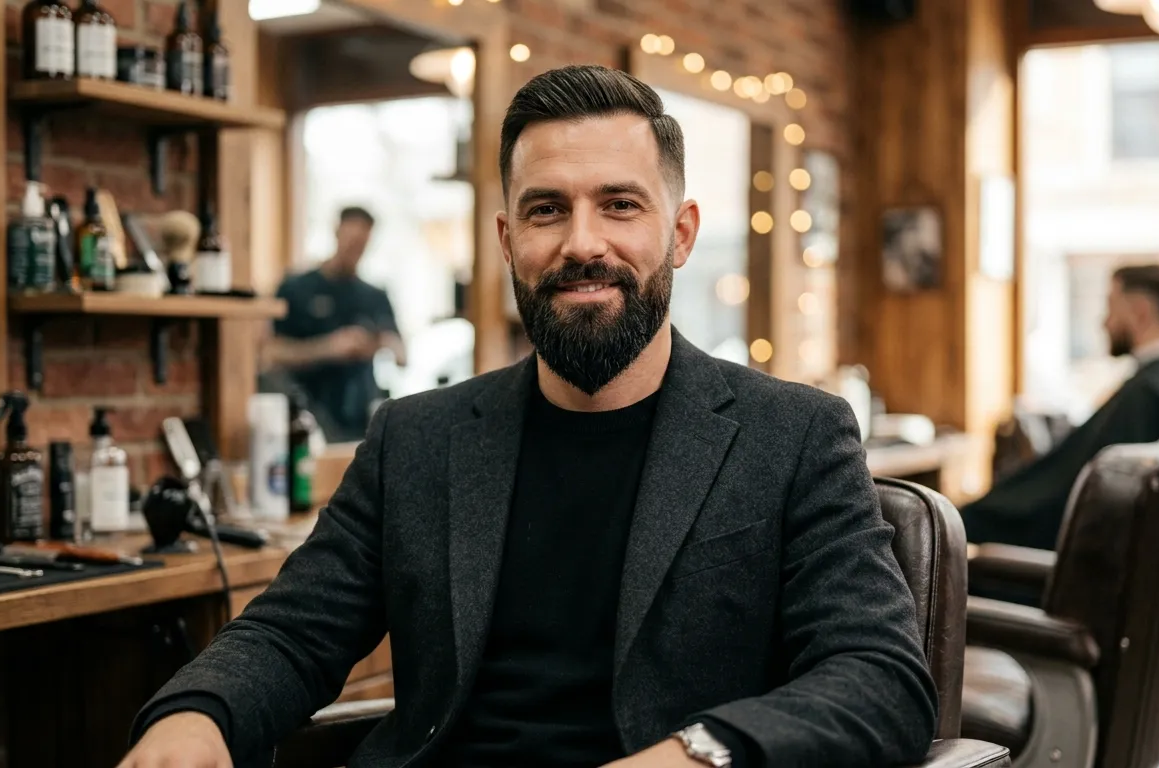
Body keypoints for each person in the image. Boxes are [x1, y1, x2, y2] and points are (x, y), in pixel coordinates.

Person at [120, 65, 937, 768]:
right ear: (508, 241)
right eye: (547, 210)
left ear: (681, 234)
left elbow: (880, 679)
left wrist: (698, 752)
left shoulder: (792, 437)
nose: (582, 243)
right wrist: (197, 716)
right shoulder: (416, 439)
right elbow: (293, 633)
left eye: (620, 204)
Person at [962, 265, 1159, 597]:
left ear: (1139, 312)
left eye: (1109, 307)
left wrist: (959, 520)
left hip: (1090, 589)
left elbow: (1055, 498)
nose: (1104, 323)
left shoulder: (1149, 394)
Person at [264, 207, 407, 441]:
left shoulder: (374, 297)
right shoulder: (296, 289)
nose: (355, 250)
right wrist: (328, 348)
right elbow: (271, 352)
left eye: (362, 244)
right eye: (351, 241)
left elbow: (402, 356)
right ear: (337, 232)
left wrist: (380, 343)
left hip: (359, 418)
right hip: (307, 416)